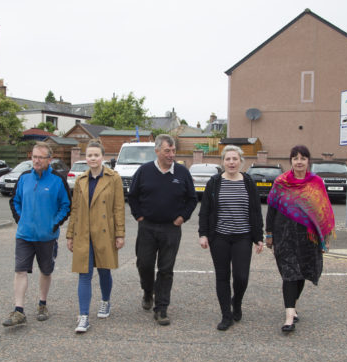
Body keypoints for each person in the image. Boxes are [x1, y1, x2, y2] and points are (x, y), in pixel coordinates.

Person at [128, 134, 198, 326]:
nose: (171, 154)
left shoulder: (182, 173)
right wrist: (139, 216)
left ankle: (161, 308)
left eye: (173, 150)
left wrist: (183, 217)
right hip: (147, 227)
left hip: (171, 229)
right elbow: (132, 196)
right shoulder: (144, 171)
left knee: (166, 269)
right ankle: (147, 291)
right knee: (145, 265)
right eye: (167, 150)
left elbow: (192, 199)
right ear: (157, 151)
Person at [265, 145, 335, 333]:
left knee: (301, 273)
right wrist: (269, 234)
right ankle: (289, 317)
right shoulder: (281, 182)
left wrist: (324, 238)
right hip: (284, 235)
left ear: (308, 161)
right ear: (291, 161)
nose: (299, 162)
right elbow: (272, 209)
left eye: (303, 158)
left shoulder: (316, 183)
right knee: (289, 274)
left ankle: (293, 307)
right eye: (295, 158)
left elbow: (323, 211)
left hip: (307, 237)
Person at [3, 142, 71, 327]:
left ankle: (42, 304)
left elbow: (66, 205)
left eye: (40, 157)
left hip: (47, 237)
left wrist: (54, 224)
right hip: (24, 234)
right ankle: (19, 310)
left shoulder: (58, 180)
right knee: (20, 270)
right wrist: (20, 219)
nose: (36, 160)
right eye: (34, 156)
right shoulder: (24, 178)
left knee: (46, 271)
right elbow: (14, 201)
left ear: (49, 159)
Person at [198, 145, 264, 331]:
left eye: (235, 159)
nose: (231, 162)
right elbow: (205, 211)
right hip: (219, 237)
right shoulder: (214, 182)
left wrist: (258, 237)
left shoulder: (248, 182)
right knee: (222, 277)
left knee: (241, 277)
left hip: (243, 236)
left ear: (241, 161)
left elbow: (256, 211)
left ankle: (237, 301)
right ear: (223, 161)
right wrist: (203, 234)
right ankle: (226, 315)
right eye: (228, 159)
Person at [66, 141, 125, 333]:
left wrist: (119, 234)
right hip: (83, 233)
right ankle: (83, 317)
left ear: (102, 157)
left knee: (104, 271)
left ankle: (105, 301)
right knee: (84, 274)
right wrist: (70, 235)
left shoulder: (113, 178)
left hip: (104, 231)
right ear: (86, 158)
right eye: (89, 155)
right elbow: (74, 209)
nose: (92, 158)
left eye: (96, 155)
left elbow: (118, 208)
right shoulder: (81, 180)